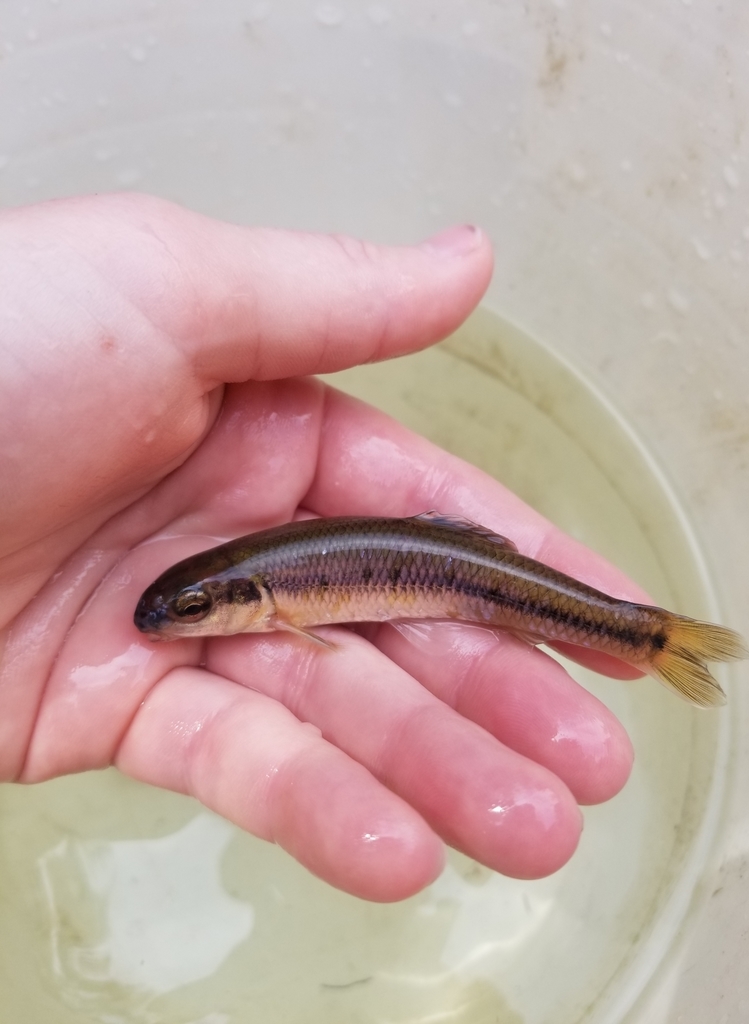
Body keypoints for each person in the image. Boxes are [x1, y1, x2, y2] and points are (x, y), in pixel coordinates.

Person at [0, 192, 638, 902]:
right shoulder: (262, 584)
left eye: (192, 608)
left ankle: (634, 633)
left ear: (246, 597)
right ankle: (635, 633)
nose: (175, 620)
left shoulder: (277, 590)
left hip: (465, 577)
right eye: (189, 608)